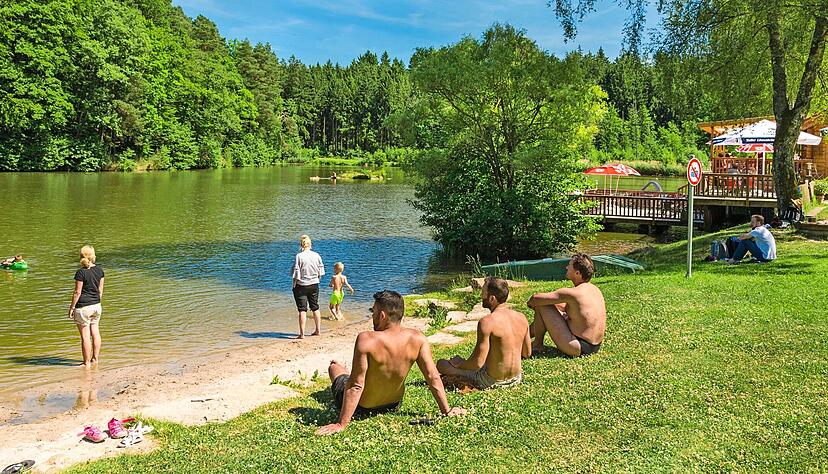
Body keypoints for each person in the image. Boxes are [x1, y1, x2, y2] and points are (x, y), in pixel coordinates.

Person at [315, 290, 465, 435]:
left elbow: (356, 386)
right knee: (349, 374)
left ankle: (340, 368)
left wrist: (342, 423)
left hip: (362, 407)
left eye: (373, 311)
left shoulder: (366, 339)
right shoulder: (417, 338)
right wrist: (447, 410)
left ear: (382, 315)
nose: (372, 314)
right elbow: (433, 376)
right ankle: (345, 370)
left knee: (334, 368)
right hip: (393, 405)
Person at [436, 277, 530, 389]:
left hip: (491, 381)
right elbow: (527, 353)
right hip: (516, 378)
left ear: (492, 299)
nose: (481, 296)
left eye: (483, 293)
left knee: (441, 364)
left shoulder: (487, 322)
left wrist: (460, 363)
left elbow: (477, 364)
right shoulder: (521, 317)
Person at [527, 253, 606, 357]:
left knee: (542, 305)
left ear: (577, 273)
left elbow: (534, 299)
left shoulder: (572, 293)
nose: (566, 267)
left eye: (569, 265)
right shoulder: (594, 289)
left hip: (578, 346)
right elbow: (567, 307)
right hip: (594, 346)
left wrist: (532, 305)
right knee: (547, 304)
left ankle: (536, 344)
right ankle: (524, 336)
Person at [68, 245, 104, 368]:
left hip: (83, 307)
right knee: (96, 332)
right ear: (93, 256)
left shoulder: (80, 272)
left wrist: (72, 308)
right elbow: (100, 290)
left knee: (85, 336)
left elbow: (77, 292)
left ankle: (86, 363)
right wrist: (97, 302)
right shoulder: (100, 270)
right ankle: (95, 359)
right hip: (96, 306)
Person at [291, 235, 325, 338]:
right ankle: (318, 330)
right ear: (310, 244)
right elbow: (321, 272)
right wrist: (317, 280)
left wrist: (294, 284)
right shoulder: (317, 255)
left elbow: (296, 272)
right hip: (314, 284)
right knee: (315, 307)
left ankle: (302, 334)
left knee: (302, 310)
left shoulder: (299, 256)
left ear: (301, 245)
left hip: (301, 285)